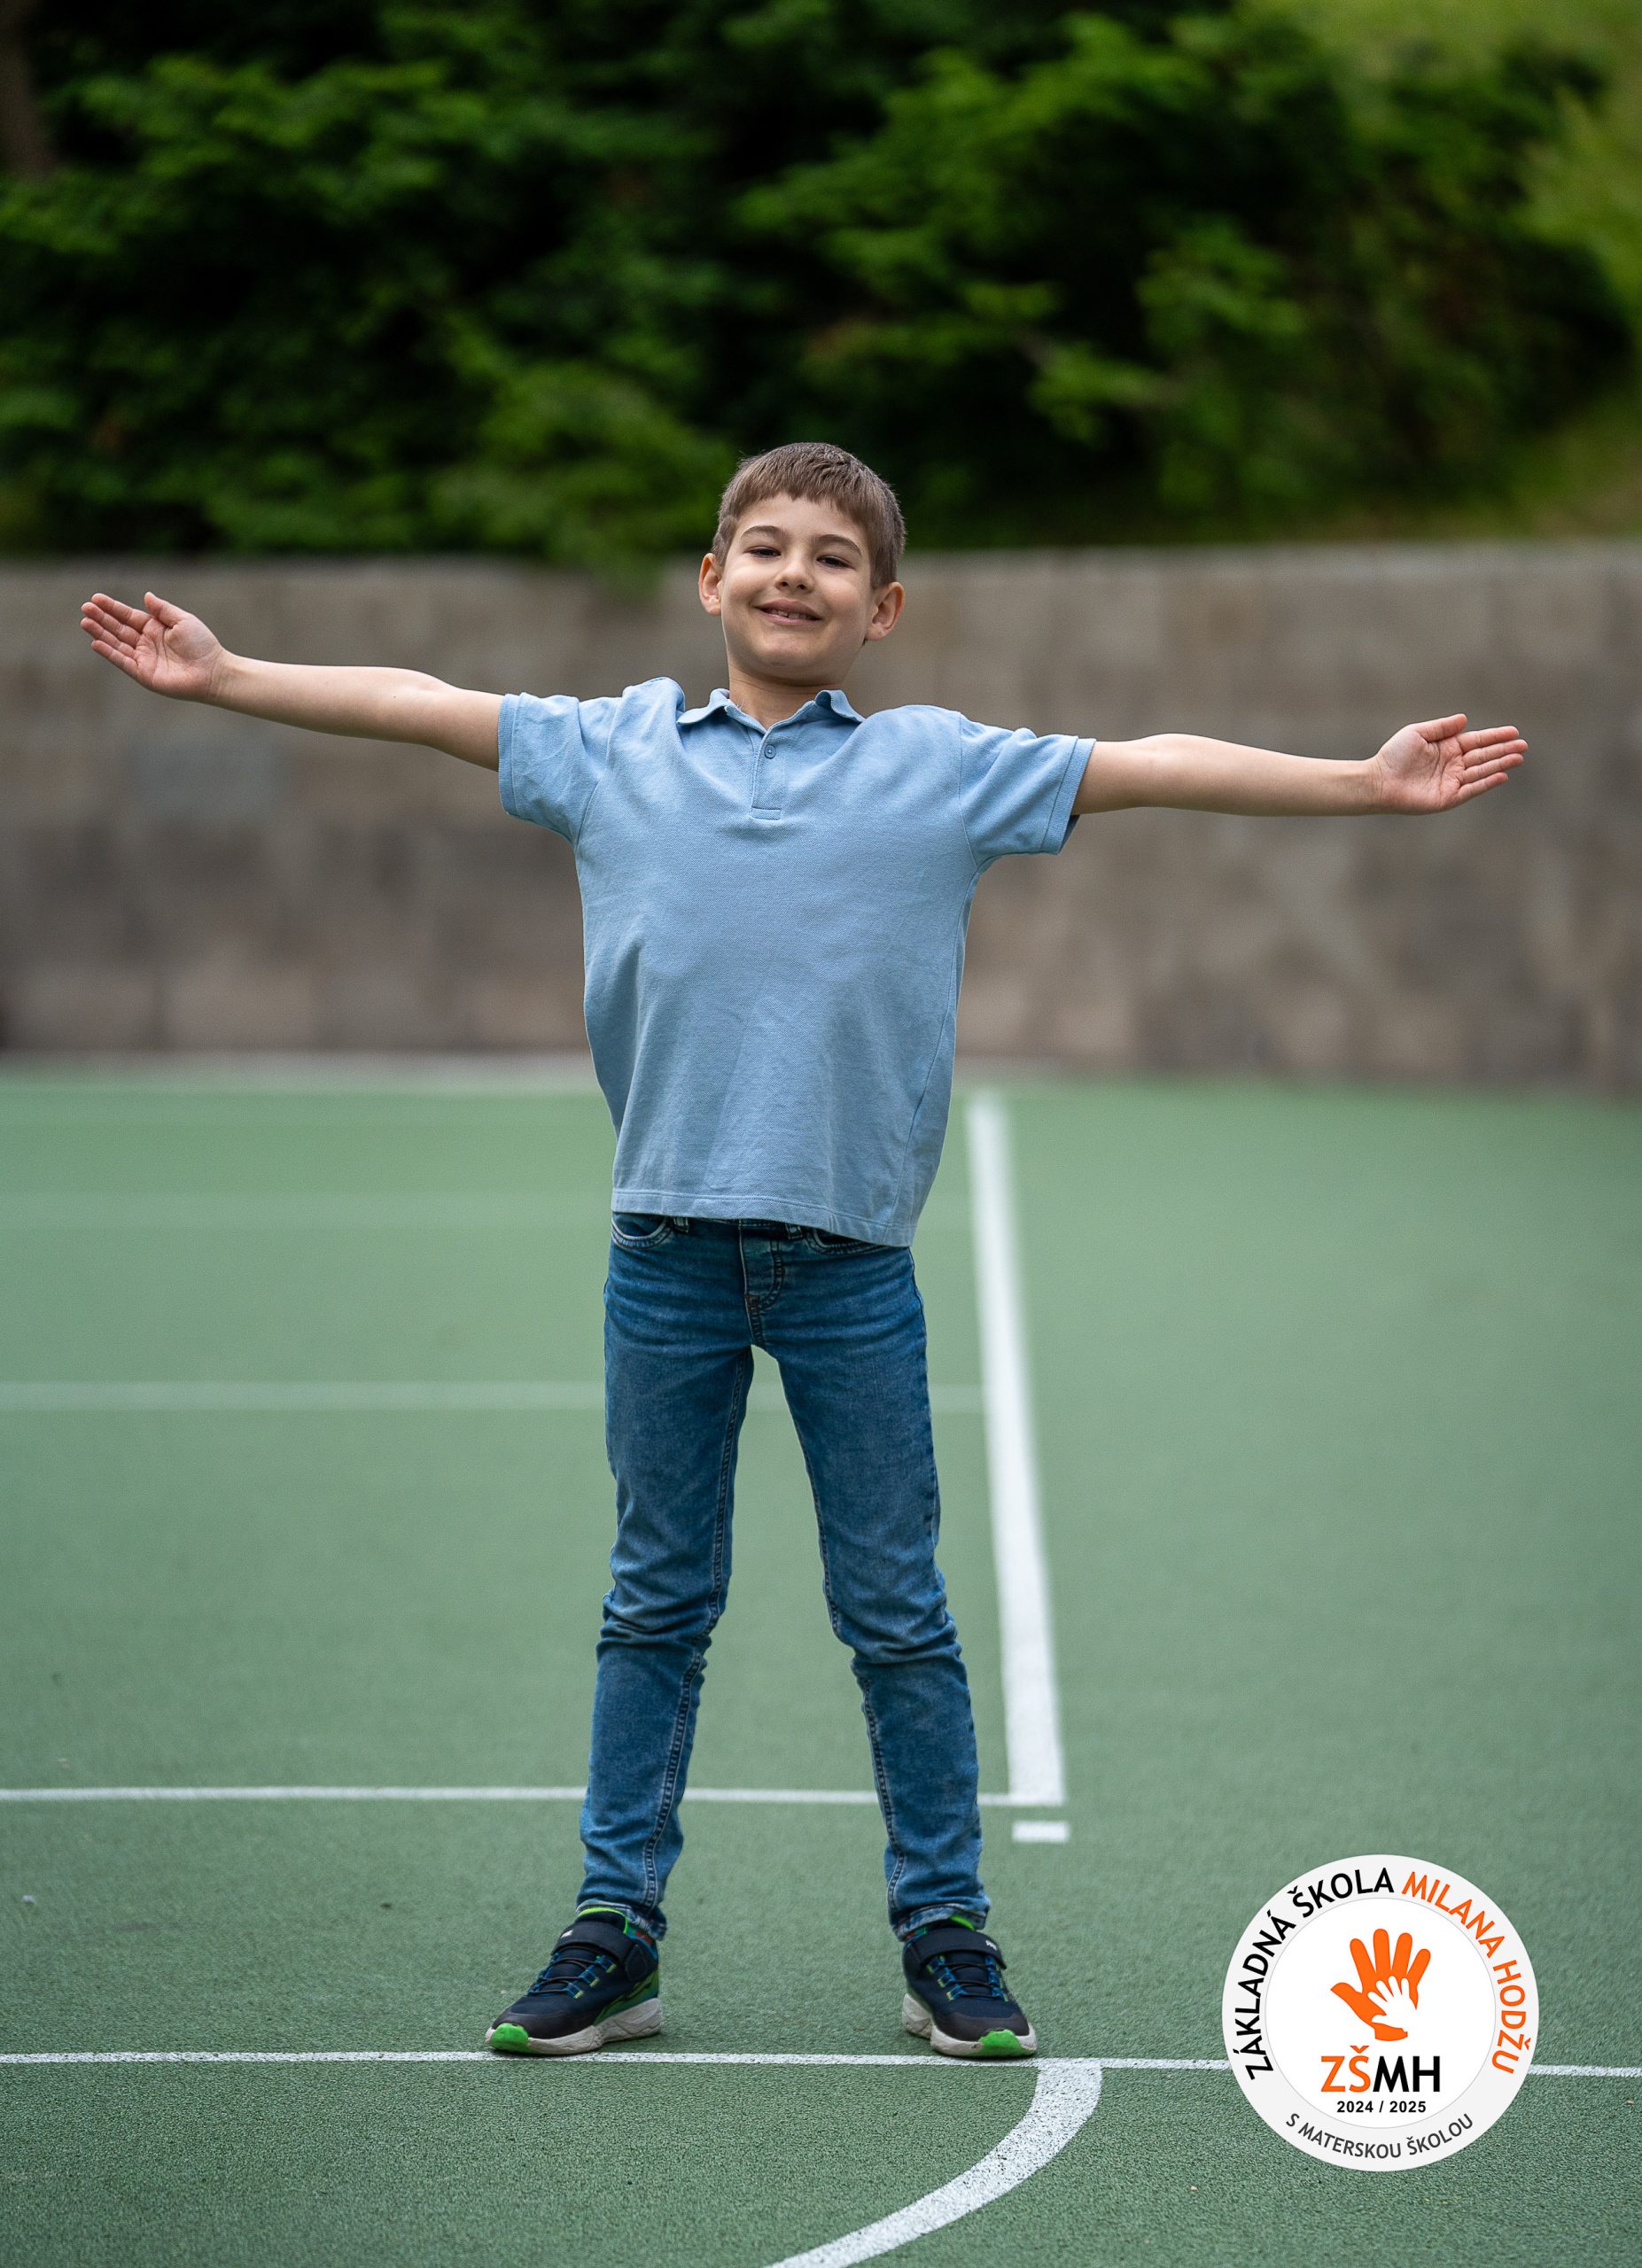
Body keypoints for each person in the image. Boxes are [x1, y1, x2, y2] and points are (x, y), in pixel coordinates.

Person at [80, 441, 1526, 2062]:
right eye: (762, 547)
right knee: (654, 1604)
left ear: (881, 607)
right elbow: (418, 701)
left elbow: (1150, 760)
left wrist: (1358, 781)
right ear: (711, 580)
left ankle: (945, 1935)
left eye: (833, 558)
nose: (793, 574)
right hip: (664, 1257)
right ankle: (613, 1933)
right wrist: (226, 677)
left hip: (850, 1273)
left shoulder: (939, 769)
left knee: (897, 1615)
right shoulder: (609, 748)